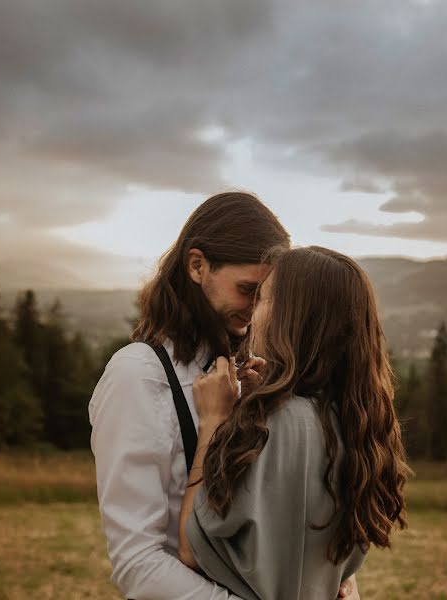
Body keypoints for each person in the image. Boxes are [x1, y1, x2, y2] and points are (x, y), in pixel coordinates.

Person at [89, 194, 360, 599]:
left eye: (266, 295)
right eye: (247, 289)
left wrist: (341, 585)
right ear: (197, 266)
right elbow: (139, 563)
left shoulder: (262, 373)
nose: (256, 310)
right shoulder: (139, 376)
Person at [177, 246, 409, 599]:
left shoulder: (273, 427)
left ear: (294, 318)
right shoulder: (354, 425)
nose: (254, 311)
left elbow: (192, 551)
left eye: (265, 298)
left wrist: (214, 420)